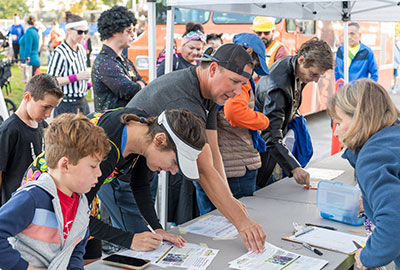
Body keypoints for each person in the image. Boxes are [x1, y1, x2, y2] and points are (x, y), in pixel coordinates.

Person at [127, 43, 266, 253]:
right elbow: (203, 169)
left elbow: (212, 150)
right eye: (235, 82)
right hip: (121, 171)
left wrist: (230, 201)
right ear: (212, 69)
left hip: (144, 168)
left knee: (151, 238)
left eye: (243, 84)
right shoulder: (185, 98)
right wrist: (241, 222)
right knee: (137, 245)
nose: (238, 92)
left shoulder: (207, 92)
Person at [23, 108, 207, 261]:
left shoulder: (145, 130)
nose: (174, 171)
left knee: (87, 256)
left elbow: (140, 185)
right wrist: (129, 240)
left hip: (83, 198)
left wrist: (156, 227)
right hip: (53, 197)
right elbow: (77, 215)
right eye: (175, 162)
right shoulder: (108, 149)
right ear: (159, 140)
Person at [0, 113, 110, 269]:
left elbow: (75, 251)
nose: (99, 173)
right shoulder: (31, 198)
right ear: (65, 165)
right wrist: (25, 268)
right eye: (93, 166)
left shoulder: (82, 207)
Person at [327, 79, 400, 270]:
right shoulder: (393, 137)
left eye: (339, 122)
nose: (336, 133)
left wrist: (368, 256)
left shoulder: (373, 156)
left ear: (359, 118)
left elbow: (394, 222)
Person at [193, 33, 270, 214]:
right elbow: (234, 112)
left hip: (221, 163)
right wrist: (264, 120)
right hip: (235, 165)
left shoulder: (218, 83)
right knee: (225, 222)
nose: (253, 69)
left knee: (212, 221)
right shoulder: (239, 81)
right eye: (256, 63)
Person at [255, 38, 333, 188]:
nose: (316, 81)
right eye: (313, 74)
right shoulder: (278, 88)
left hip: (274, 145)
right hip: (263, 151)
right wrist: (294, 168)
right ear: (302, 60)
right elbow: (270, 135)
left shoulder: (294, 67)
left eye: (319, 76)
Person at [0, 74, 63, 206]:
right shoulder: (9, 130)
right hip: (14, 205)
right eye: (46, 107)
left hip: (37, 202)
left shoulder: (43, 126)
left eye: (53, 108)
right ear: (28, 97)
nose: (48, 114)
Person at [92, 6, 146, 111]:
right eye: (129, 31)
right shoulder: (104, 63)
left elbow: (143, 83)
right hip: (111, 125)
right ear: (115, 31)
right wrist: (139, 85)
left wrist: (139, 84)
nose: (133, 35)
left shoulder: (123, 60)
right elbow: (129, 90)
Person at [48, 12, 91, 117]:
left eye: (85, 32)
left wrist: (88, 84)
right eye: (80, 32)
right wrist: (75, 77)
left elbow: (81, 73)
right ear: (69, 31)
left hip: (83, 103)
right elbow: (51, 81)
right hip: (66, 104)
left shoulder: (81, 49)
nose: (83, 35)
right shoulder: (59, 52)